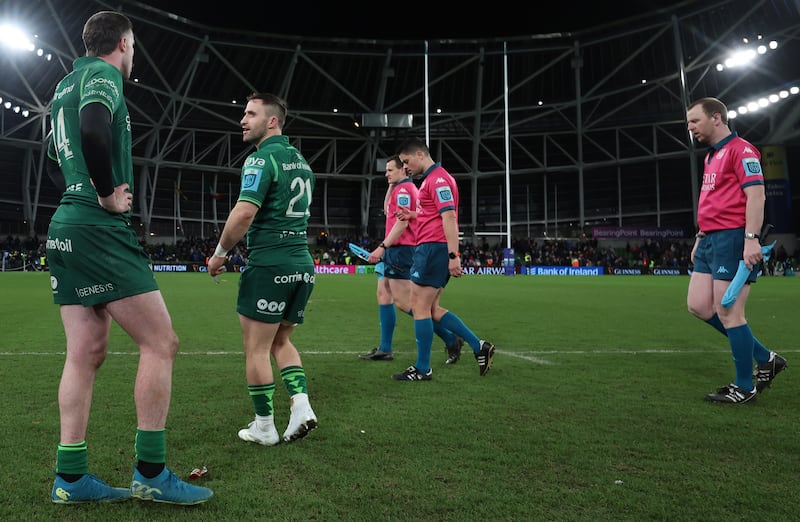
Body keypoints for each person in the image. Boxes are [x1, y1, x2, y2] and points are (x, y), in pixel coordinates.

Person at [45, 11, 212, 505]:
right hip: (97, 228)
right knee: (161, 342)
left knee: (86, 352)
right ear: (122, 43)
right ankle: (151, 472)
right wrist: (101, 195)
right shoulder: (102, 75)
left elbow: (51, 157)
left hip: (65, 228)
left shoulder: (62, 87)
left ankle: (70, 478)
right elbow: (95, 133)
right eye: (133, 47)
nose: (133, 56)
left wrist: (76, 194)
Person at [207, 92, 318, 446]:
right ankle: (301, 406)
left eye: (251, 114)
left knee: (256, 349)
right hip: (302, 264)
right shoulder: (301, 161)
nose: (243, 120)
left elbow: (243, 212)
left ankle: (264, 426)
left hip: (270, 264)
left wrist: (220, 253)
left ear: (272, 121)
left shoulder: (259, 161)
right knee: (281, 340)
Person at [685, 97, 787, 404]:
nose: (690, 128)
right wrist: (700, 236)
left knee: (729, 311)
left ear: (716, 118)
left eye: (694, 121)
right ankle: (764, 357)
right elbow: (712, 199)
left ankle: (744, 387)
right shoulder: (710, 156)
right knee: (699, 306)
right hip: (711, 238)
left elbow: (756, 195)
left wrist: (751, 238)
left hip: (733, 237)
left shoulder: (741, 149)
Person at [392, 138, 495, 380]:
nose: (405, 168)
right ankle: (478, 345)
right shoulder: (431, 179)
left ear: (420, 154)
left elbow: (449, 217)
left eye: (406, 162)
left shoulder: (438, 179)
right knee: (431, 308)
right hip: (432, 248)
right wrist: (412, 214)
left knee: (418, 306)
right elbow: (433, 213)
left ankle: (422, 368)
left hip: (433, 249)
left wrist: (453, 256)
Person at [359, 157, 463, 362]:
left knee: (409, 303)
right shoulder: (399, 188)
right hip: (396, 248)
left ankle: (450, 338)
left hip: (402, 249)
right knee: (384, 294)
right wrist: (391, 184)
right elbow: (389, 209)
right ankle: (385, 347)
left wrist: (382, 248)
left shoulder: (405, 191)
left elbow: (401, 223)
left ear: (403, 170)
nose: (386, 173)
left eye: (390, 170)